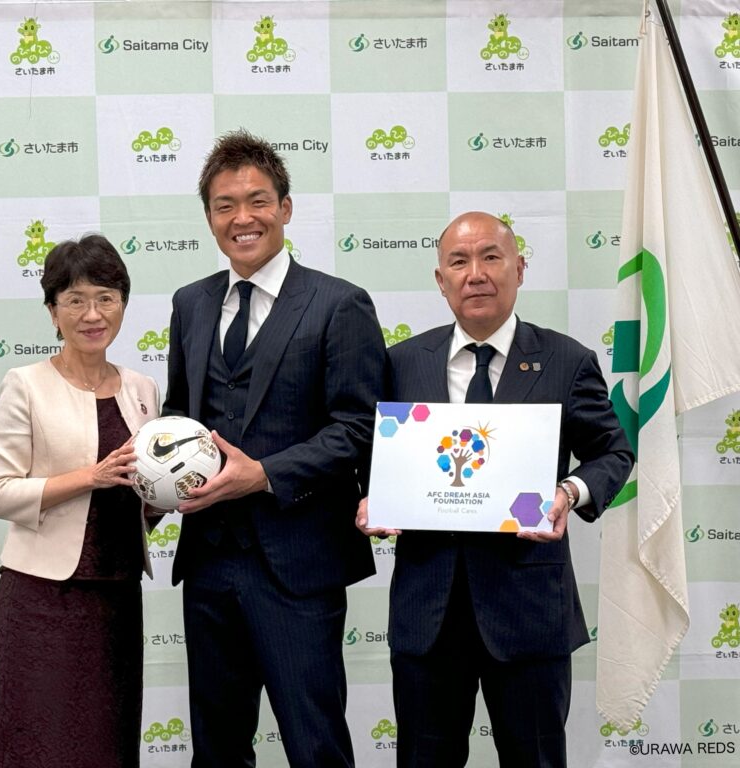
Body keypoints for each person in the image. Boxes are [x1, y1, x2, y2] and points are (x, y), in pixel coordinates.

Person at [356, 211, 634, 767]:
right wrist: (369, 496)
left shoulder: (566, 360)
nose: (475, 274)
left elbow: (614, 452)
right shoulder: (401, 363)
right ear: (441, 280)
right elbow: (368, 455)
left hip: (529, 611)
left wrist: (569, 492)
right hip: (428, 613)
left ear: (519, 269)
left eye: (491, 257)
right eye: (459, 262)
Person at [163, 130, 386, 768]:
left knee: (315, 746)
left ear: (285, 208)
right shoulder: (190, 304)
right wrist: (157, 474)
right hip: (209, 561)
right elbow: (181, 413)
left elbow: (358, 427)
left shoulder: (339, 304)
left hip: (299, 563)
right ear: (209, 217)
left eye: (257, 201)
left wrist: (263, 474)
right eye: (225, 205)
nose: (243, 218)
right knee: (216, 748)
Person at [0, 234, 159, 768]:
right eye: (75, 300)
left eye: (106, 298)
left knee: (108, 744)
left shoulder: (143, 389)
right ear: (52, 311)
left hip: (118, 593)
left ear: (123, 304)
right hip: (43, 597)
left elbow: (141, 492)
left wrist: (167, 496)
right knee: (41, 744)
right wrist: (90, 476)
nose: (92, 314)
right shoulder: (26, 384)